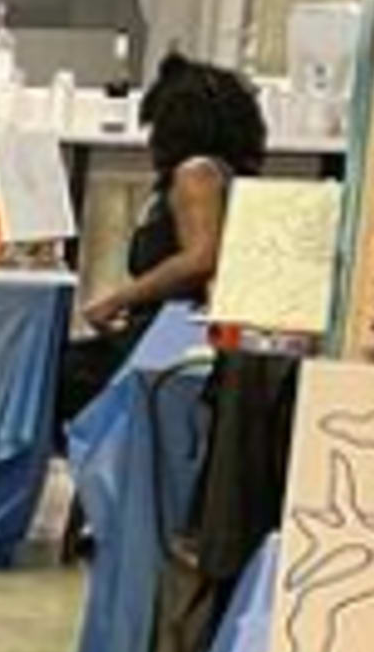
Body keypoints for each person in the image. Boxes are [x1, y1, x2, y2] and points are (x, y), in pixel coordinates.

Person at [55, 52, 272, 429]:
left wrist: (118, 299)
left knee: (51, 377)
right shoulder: (227, 175)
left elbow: (202, 257)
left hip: (173, 338)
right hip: (186, 334)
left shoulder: (195, 176)